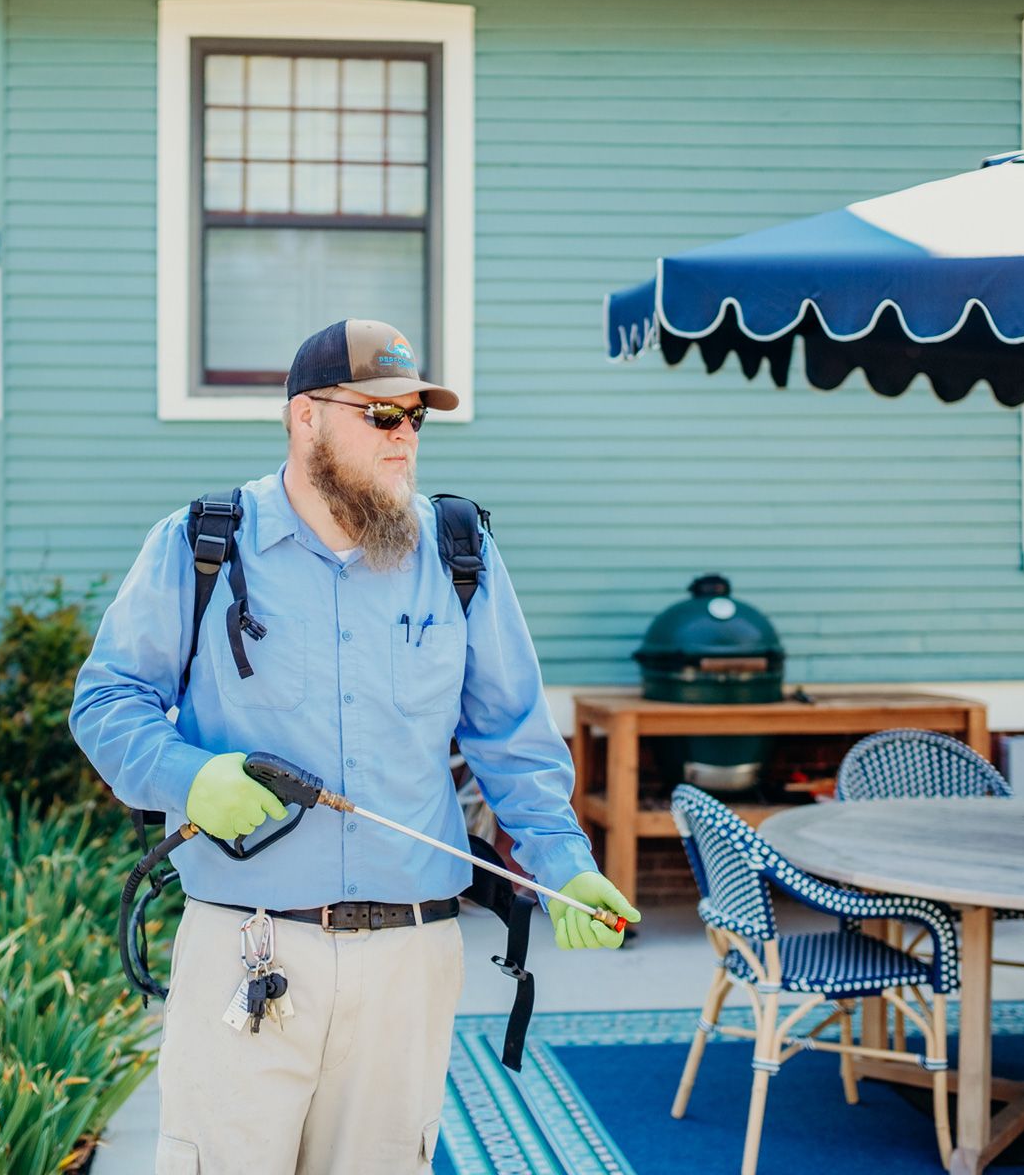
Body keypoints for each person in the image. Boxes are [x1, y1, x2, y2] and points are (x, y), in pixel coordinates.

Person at [70, 318, 639, 1175]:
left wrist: (561, 860)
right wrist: (188, 779)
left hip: (411, 962)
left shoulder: (460, 554)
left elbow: (510, 736)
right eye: (380, 415)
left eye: (416, 415)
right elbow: (107, 700)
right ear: (306, 419)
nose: (404, 434)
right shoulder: (200, 545)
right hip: (245, 947)